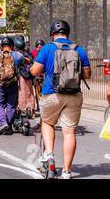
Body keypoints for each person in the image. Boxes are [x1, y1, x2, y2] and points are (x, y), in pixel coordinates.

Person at [30, 20, 91, 179]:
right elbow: (87, 75)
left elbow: (34, 71)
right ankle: (67, 171)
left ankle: (49, 154)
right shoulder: (79, 50)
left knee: (48, 122)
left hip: (52, 94)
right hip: (74, 95)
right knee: (70, 132)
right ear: (68, 33)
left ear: (52, 34)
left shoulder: (47, 48)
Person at [0, 37, 25, 135]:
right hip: (13, 84)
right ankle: (9, 127)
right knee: (11, 105)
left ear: (1, 46)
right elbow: (23, 64)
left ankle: (3, 122)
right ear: (12, 45)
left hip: (0, 84)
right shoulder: (18, 55)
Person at [14, 36, 36, 118]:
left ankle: (21, 109)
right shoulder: (28, 53)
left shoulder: (16, 54)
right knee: (30, 93)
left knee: (21, 92)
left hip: (20, 76)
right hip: (29, 75)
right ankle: (32, 111)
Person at [32, 39, 45, 107]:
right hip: (44, 75)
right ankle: (43, 105)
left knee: (37, 91)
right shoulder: (45, 51)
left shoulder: (33, 52)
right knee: (44, 91)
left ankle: (38, 105)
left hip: (36, 74)